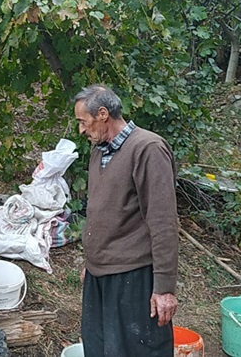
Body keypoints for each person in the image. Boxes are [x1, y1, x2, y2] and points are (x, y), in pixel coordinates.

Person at [73, 84, 178, 356]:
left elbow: (163, 221)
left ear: (103, 114)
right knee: (98, 345)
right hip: (99, 274)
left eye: (83, 122)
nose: (81, 130)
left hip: (132, 274)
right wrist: (92, 263)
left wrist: (164, 288)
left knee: (134, 349)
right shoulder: (101, 149)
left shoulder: (148, 149)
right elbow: (101, 212)